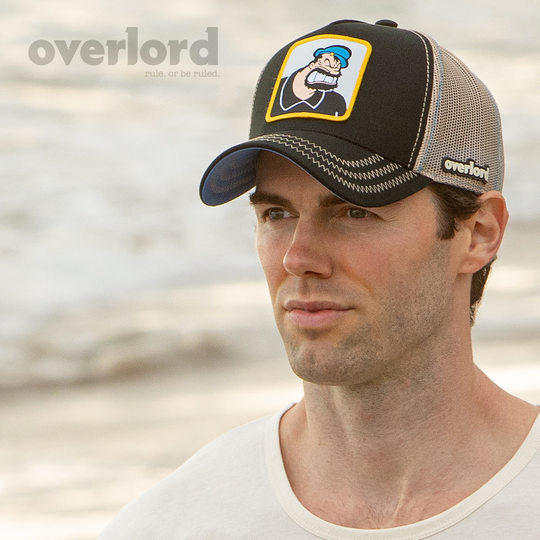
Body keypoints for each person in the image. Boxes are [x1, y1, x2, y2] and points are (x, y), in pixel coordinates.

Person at [98, 19, 540, 539]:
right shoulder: (173, 523)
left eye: (354, 213)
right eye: (276, 215)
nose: (298, 257)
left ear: (480, 233)